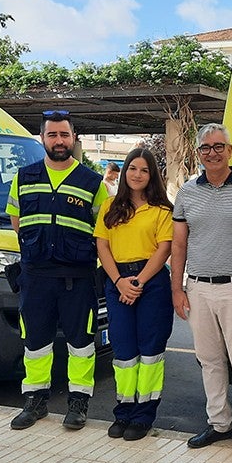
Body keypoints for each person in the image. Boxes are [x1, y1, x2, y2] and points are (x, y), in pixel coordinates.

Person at [170, 123, 232, 461]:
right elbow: (179, 245)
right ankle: (218, 423)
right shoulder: (187, 193)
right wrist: (178, 289)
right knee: (209, 360)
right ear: (198, 154)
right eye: (205, 148)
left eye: (218, 146)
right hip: (198, 288)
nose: (212, 153)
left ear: (229, 151)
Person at [7, 110, 107, 431]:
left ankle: (78, 403)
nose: (59, 141)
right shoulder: (24, 177)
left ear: (73, 138)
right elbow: (16, 220)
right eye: (53, 135)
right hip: (36, 277)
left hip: (76, 279)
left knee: (81, 343)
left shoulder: (92, 183)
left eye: (65, 135)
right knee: (35, 342)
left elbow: (103, 230)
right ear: (43, 139)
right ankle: (35, 401)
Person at [94, 148, 174, 441]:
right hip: (117, 281)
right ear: (125, 172)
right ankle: (124, 411)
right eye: (132, 168)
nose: (137, 174)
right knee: (124, 349)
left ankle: (143, 416)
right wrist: (119, 282)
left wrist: (137, 283)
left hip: (150, 281)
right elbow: (102, 246)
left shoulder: (162, 210)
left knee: (150, 350)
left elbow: (164, 249)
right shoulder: (109, 206)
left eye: (144, 170)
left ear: (151, 175)